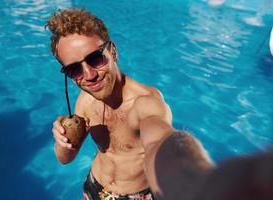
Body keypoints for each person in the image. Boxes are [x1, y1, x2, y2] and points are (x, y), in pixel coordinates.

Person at [47, 8, 213, 199]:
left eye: (95, 58)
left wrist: (194, 170)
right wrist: (62, 141)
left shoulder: (145, 103)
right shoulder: (84, 101)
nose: (89, 75)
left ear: (113, 51)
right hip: (94, 188)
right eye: (75, 69)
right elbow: (64, 159)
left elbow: (160, 140)